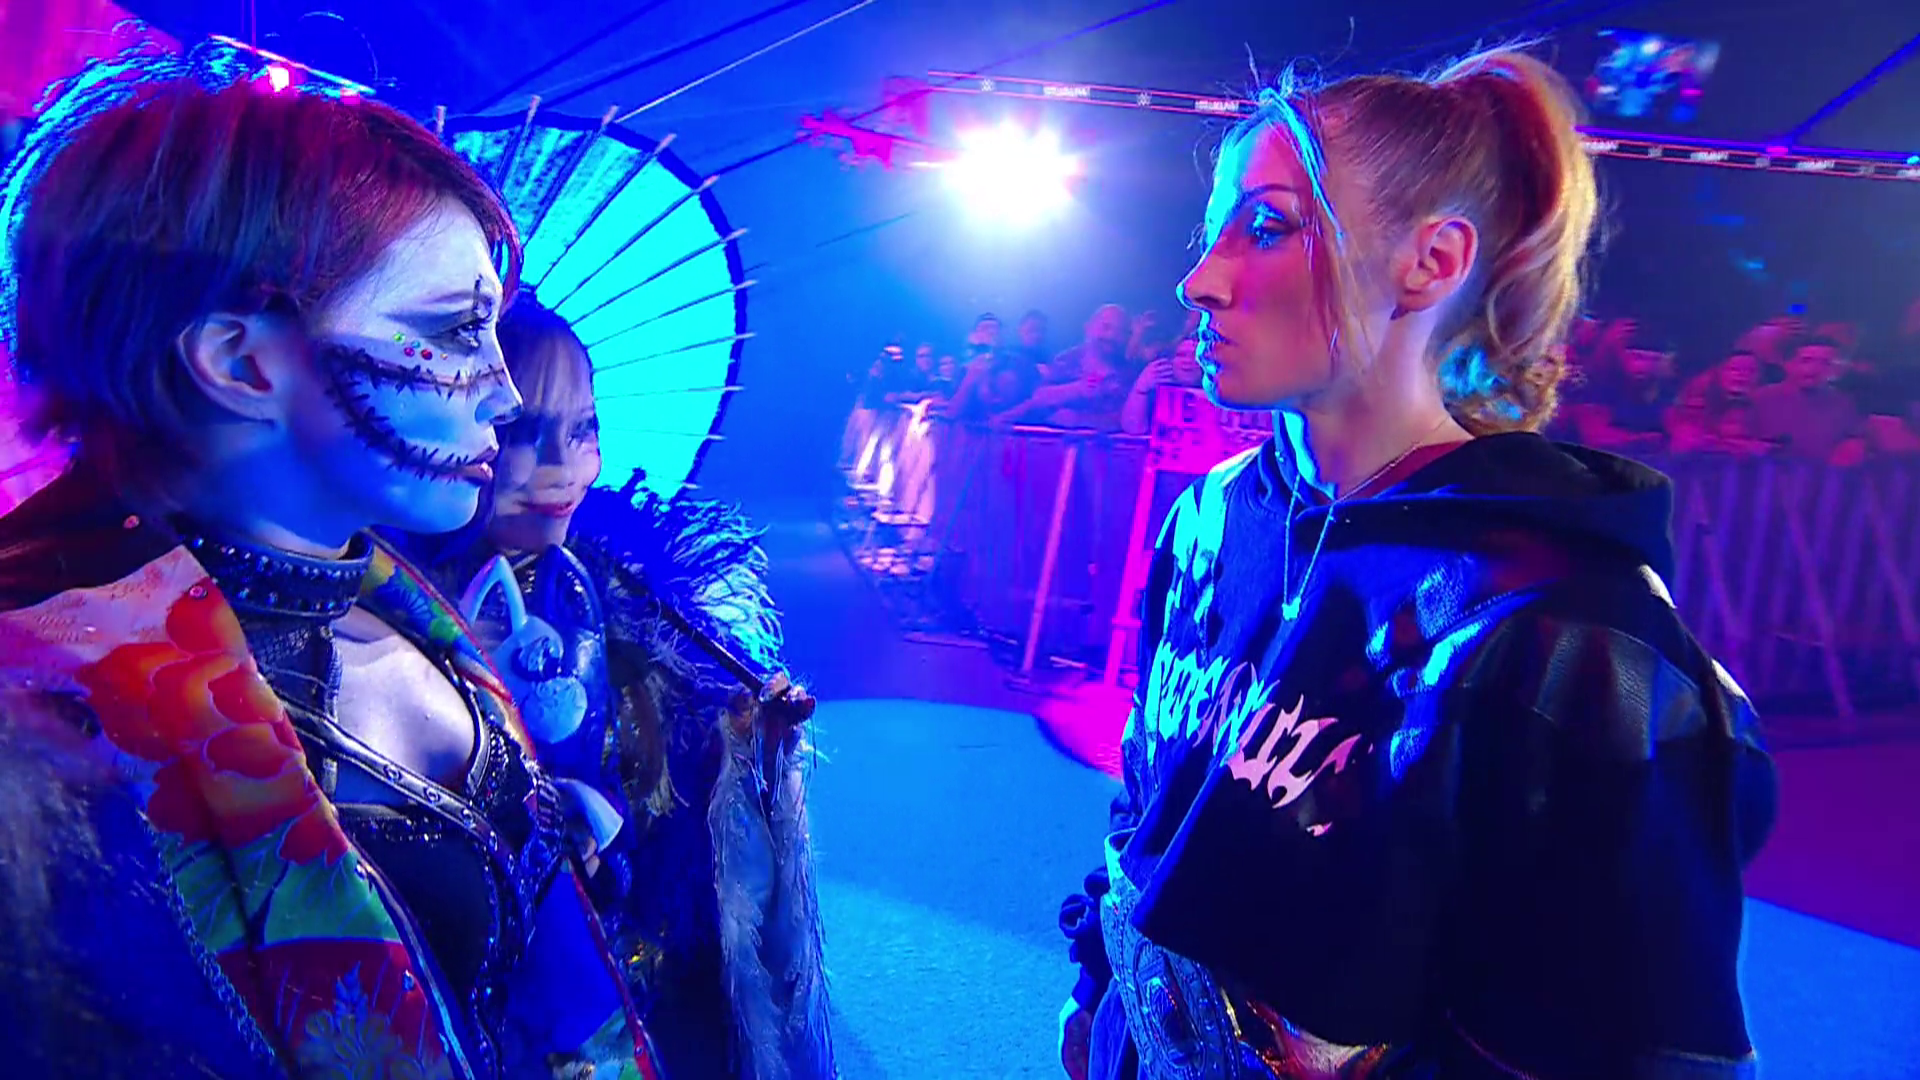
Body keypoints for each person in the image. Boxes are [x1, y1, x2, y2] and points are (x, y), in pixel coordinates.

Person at [1057, 47, 1775, 1080]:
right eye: (1212, 232)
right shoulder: (1208, 518)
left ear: (1431, 262)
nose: (1200, 279)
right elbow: (1149, 803)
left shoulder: (1566, 629)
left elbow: (1638, 1049)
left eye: (1268, 227)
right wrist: (1099, 991)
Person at [0, 43, 659, 1078]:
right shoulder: (49, 729)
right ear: (240, 361)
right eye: (457, 332)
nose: (503, 392)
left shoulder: (402, 601)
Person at [394, 298, 835, 1080]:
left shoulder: (624, 598)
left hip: (613, 958)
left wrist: (747, 737)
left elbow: (670, 813)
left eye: (584, 429)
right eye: (525, 430)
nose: (564, 465)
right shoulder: (399, 605)